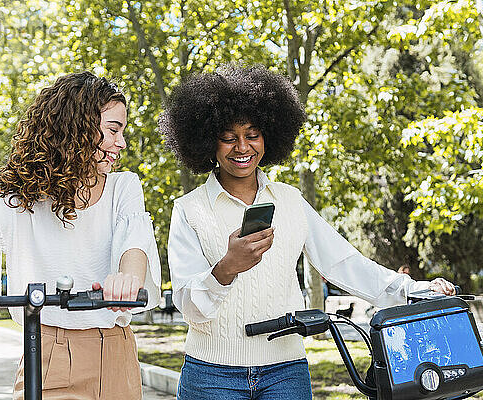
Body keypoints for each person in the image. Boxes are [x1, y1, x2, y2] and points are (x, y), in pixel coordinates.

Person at [159, 64, 455, 400]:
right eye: (228, 138)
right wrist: (226, 268)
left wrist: (413, 290)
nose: (242, 147)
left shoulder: (290, 200)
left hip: (286, 372)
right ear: (207, 143)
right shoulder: (189, 209)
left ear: (269, 136)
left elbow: (342, 262)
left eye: (252, 134)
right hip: (210, 375)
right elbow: (189, 307)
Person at [0, 71, 161, 400]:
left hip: (116, 351)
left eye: (122, 132)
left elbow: (134, 244)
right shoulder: (18, 197)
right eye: (113, 130)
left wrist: (128, 279)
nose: (121, 143)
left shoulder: (124, 186)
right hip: (48, 351)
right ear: (77, 128)